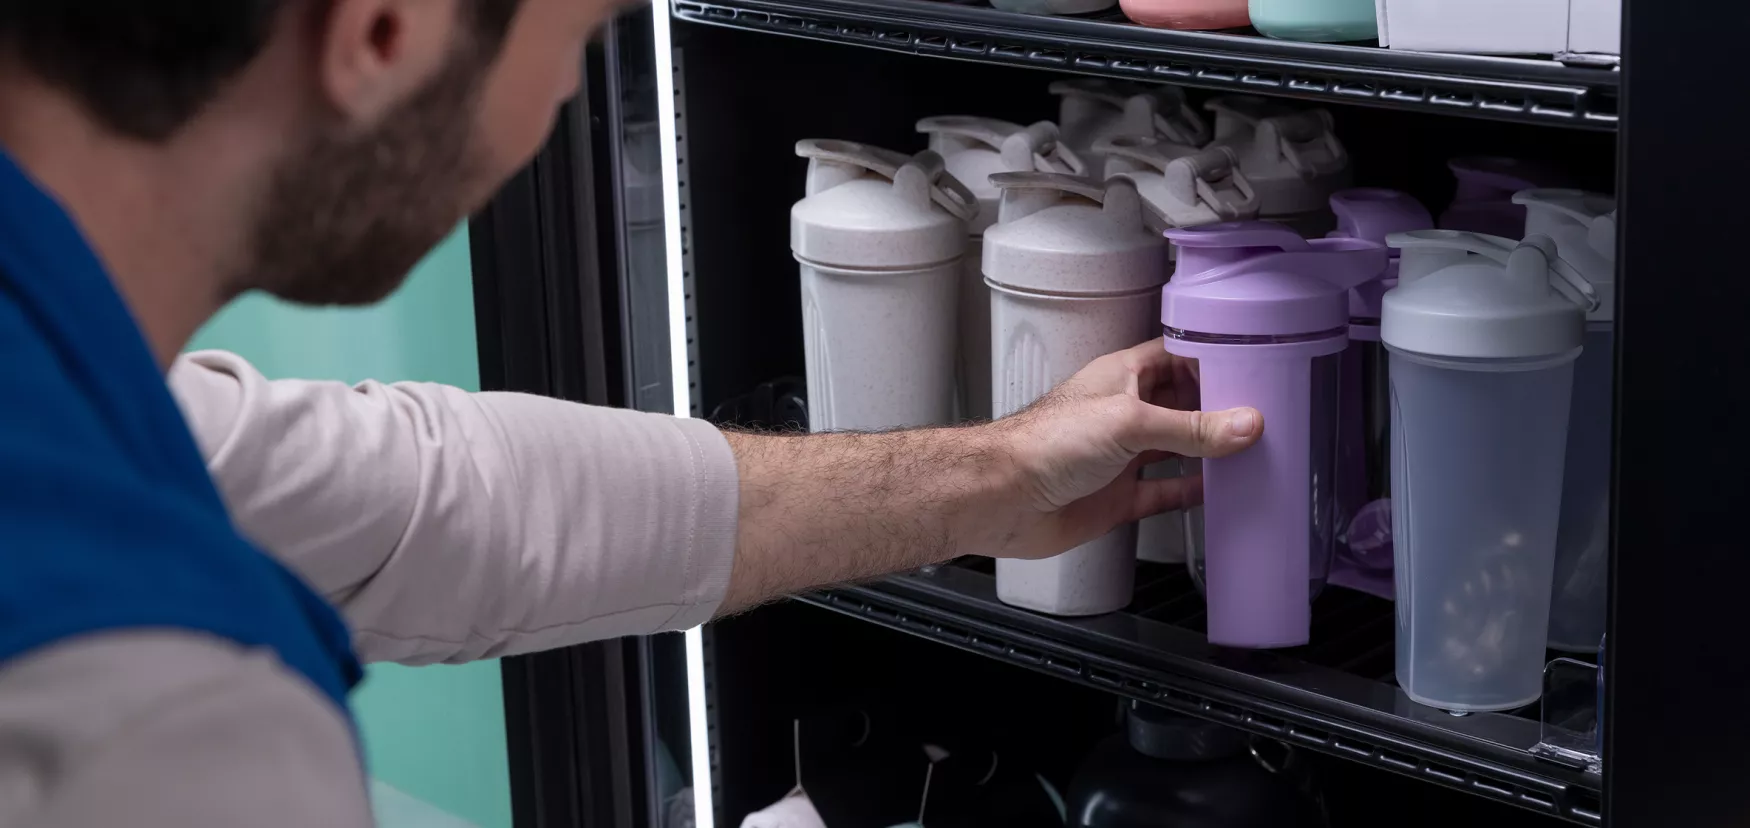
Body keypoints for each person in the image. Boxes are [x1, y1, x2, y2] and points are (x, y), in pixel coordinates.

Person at [0, 0, 1262, 825]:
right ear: (384, 30)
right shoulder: (155, 723)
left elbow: (432, 503)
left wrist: (1000, 471)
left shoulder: (78, 402)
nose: (570, 94)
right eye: (584, 35)